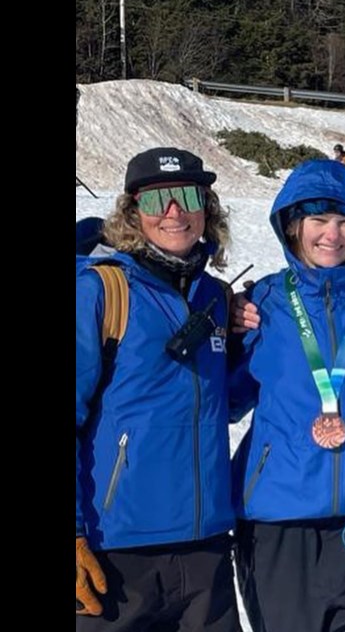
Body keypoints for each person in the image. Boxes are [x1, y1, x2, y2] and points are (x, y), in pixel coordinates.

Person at [228, 159, 345, 631]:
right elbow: (225, 400)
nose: (333, 234)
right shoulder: (262, 303)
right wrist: (223, 329)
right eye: (318, 220)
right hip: (278, 521)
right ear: (293, 226)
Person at [76, 147, 241, 631]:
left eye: (187, 195)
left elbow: (223, 403)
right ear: (133, 212)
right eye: (156, 201)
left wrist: (253, 344)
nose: (173, 211)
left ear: (205, 208)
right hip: (114, 550)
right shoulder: (101, 291)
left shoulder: (214, 297)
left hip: (206, 547)